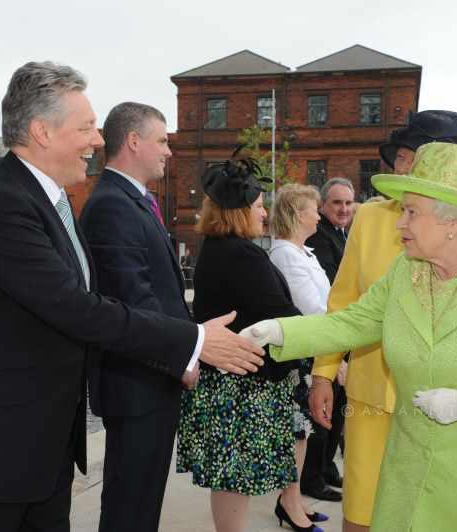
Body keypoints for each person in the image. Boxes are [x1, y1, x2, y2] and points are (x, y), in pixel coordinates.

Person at [0, 62, 263, 532]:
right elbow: (74, 308)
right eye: (87, 128)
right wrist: (191, 340)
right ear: (42, 132)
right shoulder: (3, 202)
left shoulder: (50, 200)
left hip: (40, 447)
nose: (98, 141)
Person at [245, 142, 457, 532]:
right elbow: (350, 323)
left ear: (453, 222)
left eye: (411, 212)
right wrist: (277, 331)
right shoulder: (405, 272)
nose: (399, 224)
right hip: (405, 486)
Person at [307, 109, 457, 532]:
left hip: (443, 405)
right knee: (362, 515)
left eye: (407, 157)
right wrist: (324, 374)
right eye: (398, 158)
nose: (397, 166)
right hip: (371, 401)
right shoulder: (369, 217)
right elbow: (344, 299)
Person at [176, 156, 318, 532]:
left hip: (232, 381)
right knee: (233, 479)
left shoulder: (222, 249)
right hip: (239, 386)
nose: (264, 215)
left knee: (231, 480)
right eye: (258, 207)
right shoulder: (240, 254)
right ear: (239, 213)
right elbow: (280, 312)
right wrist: (327, 339)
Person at [78, 102, 193, 532]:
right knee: (130, 505)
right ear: (133, 141)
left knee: (142, 502)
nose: (168, 152)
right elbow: (133, 297)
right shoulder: (112, 204)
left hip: (149, 379)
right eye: (163, 141)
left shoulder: (133, 201)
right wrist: (182, 356)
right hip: (136, 382)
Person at [268, 184, 332, 528]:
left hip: (309, 351)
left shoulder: (302, 252)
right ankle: (289, 503)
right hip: (297, 355)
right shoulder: (285, 255)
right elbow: (313, 308)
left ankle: (291, 500)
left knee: (302, 432)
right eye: (313, 208)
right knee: (296, 432)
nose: (319, 214)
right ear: (296, 213)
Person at [300, 177, 355, 502]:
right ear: (323, 206)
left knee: (338, 409)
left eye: (348, 203)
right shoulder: (320, 240)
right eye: (337, 203)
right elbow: (337, 286)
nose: (344, 209)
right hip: (329, 335)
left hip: (343, 332)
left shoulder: (341, 235)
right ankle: (313, 477)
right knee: (326, 409)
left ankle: (326, 469)